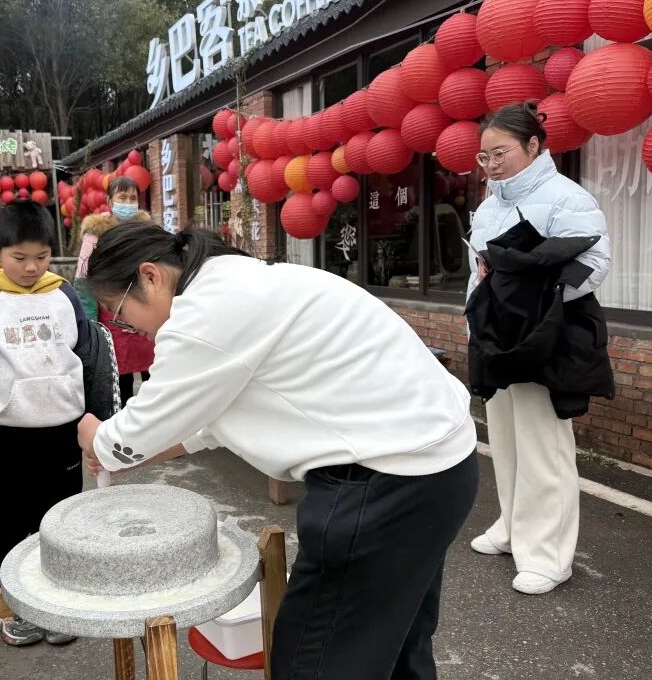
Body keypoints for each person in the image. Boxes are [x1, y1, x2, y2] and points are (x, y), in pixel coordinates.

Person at [77, 223, 479, 680]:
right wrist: (129, 452)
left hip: (387, 485)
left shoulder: (205, 314)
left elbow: (137, 432)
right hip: (438, 468)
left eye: (121, 313)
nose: (130, 328)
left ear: (149, 276)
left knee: (315, 661)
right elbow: (207, 420)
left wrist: (97, 437)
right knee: (397, 642)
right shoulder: (236, 279)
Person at [0, 201, 116, 648]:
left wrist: (102, 424)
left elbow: (88, 357)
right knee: (6, 523)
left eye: (42, 256)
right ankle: (11, 605)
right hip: (3, 438)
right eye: (20, 257)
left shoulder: (65, 296)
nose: (32, 267)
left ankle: (57, 605)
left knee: (60, 521)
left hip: (62, 432)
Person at [465, 101, 611, 596]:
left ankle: (549, 555)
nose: (491, 165)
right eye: (484, 156)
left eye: (500, 153)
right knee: (505, 441)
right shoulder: (490, 205)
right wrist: (480, 317)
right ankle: (512, 527)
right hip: (496, 337)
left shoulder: (567, 197)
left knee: (544, 447)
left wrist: (530, 300)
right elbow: (481, 272)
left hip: (544, 337)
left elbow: (593, 265)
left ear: (533, 145)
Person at [74, 176, 154, 405]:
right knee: (121, 376)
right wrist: (90, 321)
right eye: (122, 197)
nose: (128, 203)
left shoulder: (147, 231)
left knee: (154, 372)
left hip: (145, 310)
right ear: (110, 201)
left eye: (133, 198)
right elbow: (83, 278)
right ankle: (125, 419)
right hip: (113, 313)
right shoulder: (95, 233)